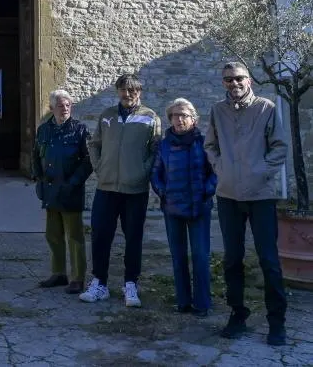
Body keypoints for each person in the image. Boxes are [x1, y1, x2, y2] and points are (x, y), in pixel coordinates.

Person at [205, 60, 289, 347]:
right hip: (228, 195)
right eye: (228, 79)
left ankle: (277, 322)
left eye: (239, 78)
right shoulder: (218, 110)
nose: (234, 83)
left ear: (249, 80)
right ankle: (237, 314)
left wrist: (260, 171)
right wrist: (221, 168)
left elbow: (280, 147)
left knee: (268, 260)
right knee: (232, 259)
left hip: (261, 196)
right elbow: (210, 145)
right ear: (223, 83)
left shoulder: (266, 108)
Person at [81, 72, 161, 307]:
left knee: (133, 238)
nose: (128, 94)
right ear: (117, 91)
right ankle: (99, 283)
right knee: (100, 235)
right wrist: (100, 168)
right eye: (124, 90)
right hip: (106, 187)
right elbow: (94, 144)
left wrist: (142, 172)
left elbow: (155, 151)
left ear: (140, 92)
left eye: (133, 90)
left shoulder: (150, 118)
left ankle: (131, 284)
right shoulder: (107, 116)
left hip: (135, 190)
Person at [150, 98, 216, 316]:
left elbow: (215, 171)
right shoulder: (164, 144)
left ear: (193, 118)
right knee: (178, 257)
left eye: (183, 115)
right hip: (173, 209)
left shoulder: (204, 142)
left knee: (200, 257)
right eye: (174, 116)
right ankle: (183, 301)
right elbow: (156, 174)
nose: (179, 119)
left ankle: (203, 304)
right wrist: (164, 193)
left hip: (199, 208)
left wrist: (206, 191)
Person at [31, 89, 92, 293]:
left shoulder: (80, 130)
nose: (65, 108)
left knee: (74, 236)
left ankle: (77, 278)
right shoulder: (44, 130)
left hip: (70, 190)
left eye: (68, 105)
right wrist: (38, 179)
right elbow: (36, 155)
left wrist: (74, 182)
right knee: (53, 234)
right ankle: (58, 274)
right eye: (60, 105)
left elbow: (88, 160)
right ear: (51, 108)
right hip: (49, 189)